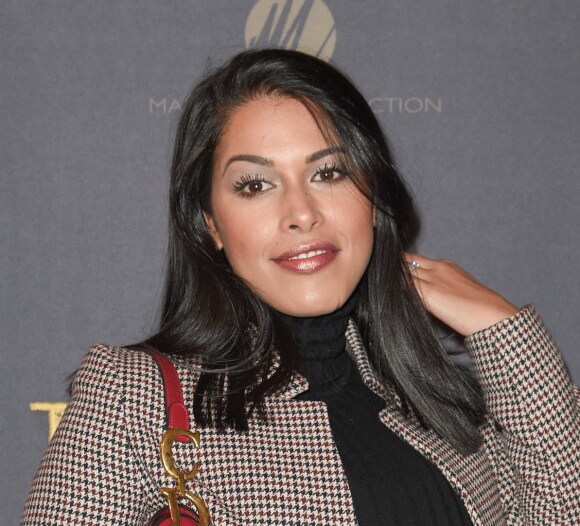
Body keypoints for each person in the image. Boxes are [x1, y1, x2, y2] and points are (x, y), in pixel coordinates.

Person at [22, 49, 578, 525]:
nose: (301, 214)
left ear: (373, 195)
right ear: (211, 223)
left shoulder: (434, 400)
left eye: (328, 173)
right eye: (256, 184)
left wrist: (505, 331)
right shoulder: (131, 396)